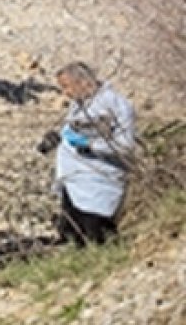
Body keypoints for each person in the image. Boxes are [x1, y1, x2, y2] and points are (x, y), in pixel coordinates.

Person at [38, 62, 137, 246]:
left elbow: (125, 145)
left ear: (83, 82)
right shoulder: (79, 105)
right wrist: (57, 139)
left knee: (96, 235)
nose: (65, 93)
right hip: (74, 181)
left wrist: (91, 146)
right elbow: (74, 131)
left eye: (67, 86)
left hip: (98, 183)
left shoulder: (115, 105)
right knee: (71, 235)